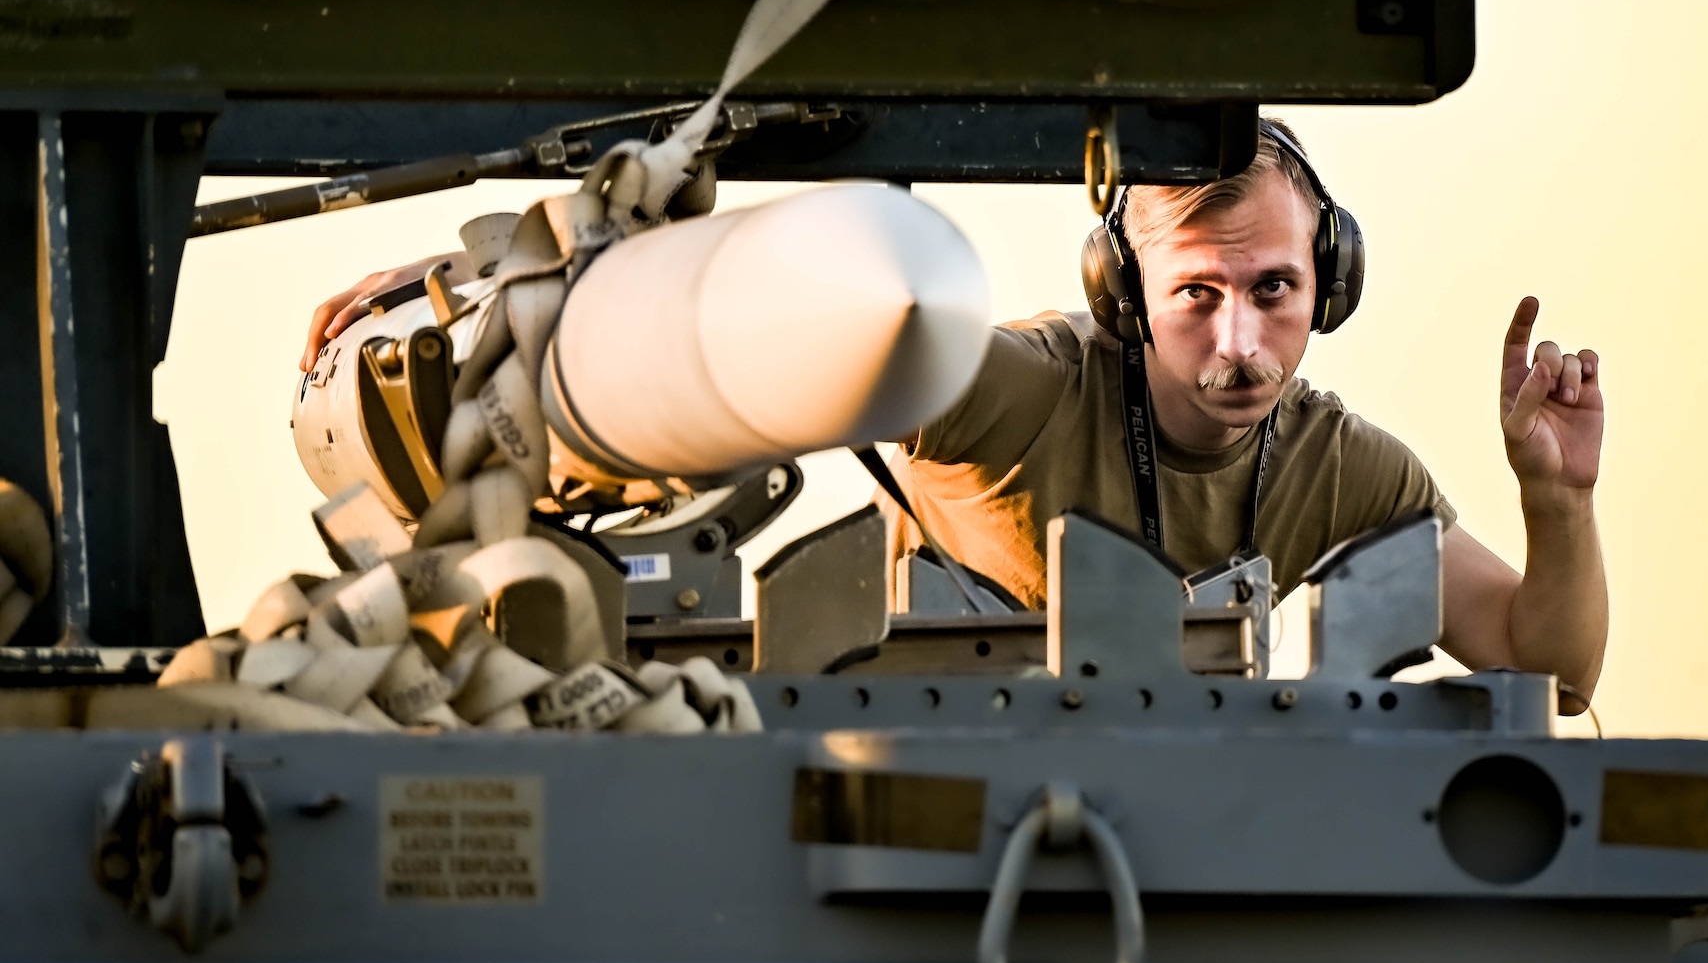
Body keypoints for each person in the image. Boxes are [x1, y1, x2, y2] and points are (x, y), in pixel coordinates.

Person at [302, 119, 1606, 700]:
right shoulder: (1023, 390)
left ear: (1334, 280)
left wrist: (1560, 503)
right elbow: (826, 326)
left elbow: (1551, 663)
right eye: (1196, 293)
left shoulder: (1346, 470)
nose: (1240, 342)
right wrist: (493, 297)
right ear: (1120, 291)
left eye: (1276, 290)